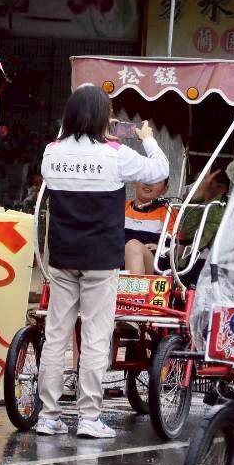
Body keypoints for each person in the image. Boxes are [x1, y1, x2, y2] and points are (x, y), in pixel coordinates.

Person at [36, 85, 170, 438]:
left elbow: (62, 156)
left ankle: (48, 416)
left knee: (56, 337)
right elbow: (159, 169)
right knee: (96, 337)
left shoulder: (51, 153)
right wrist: (147, 139)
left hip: (62, 258)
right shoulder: (116, 155)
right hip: (101, 260)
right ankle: (89, 418)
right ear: (102, 118)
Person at [173, 169, 231, 287]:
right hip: (194, 258)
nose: (213, 190)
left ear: (225, 189)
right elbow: (187, 231)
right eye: (209, 185)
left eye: (218, 187)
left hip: (220, 260)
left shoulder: (227, 205)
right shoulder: (197, 205)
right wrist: (199, 195)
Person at [124, 177, 170, 274]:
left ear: (165, 189)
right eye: (145, 177)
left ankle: (135, 284)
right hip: (117, 261)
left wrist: (162, 248)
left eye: (156, 180)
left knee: (133, 247)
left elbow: (179, 250)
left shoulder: (169, 213)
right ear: (135, 181)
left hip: (153, 266)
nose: (149, 183)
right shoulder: (120, 207)